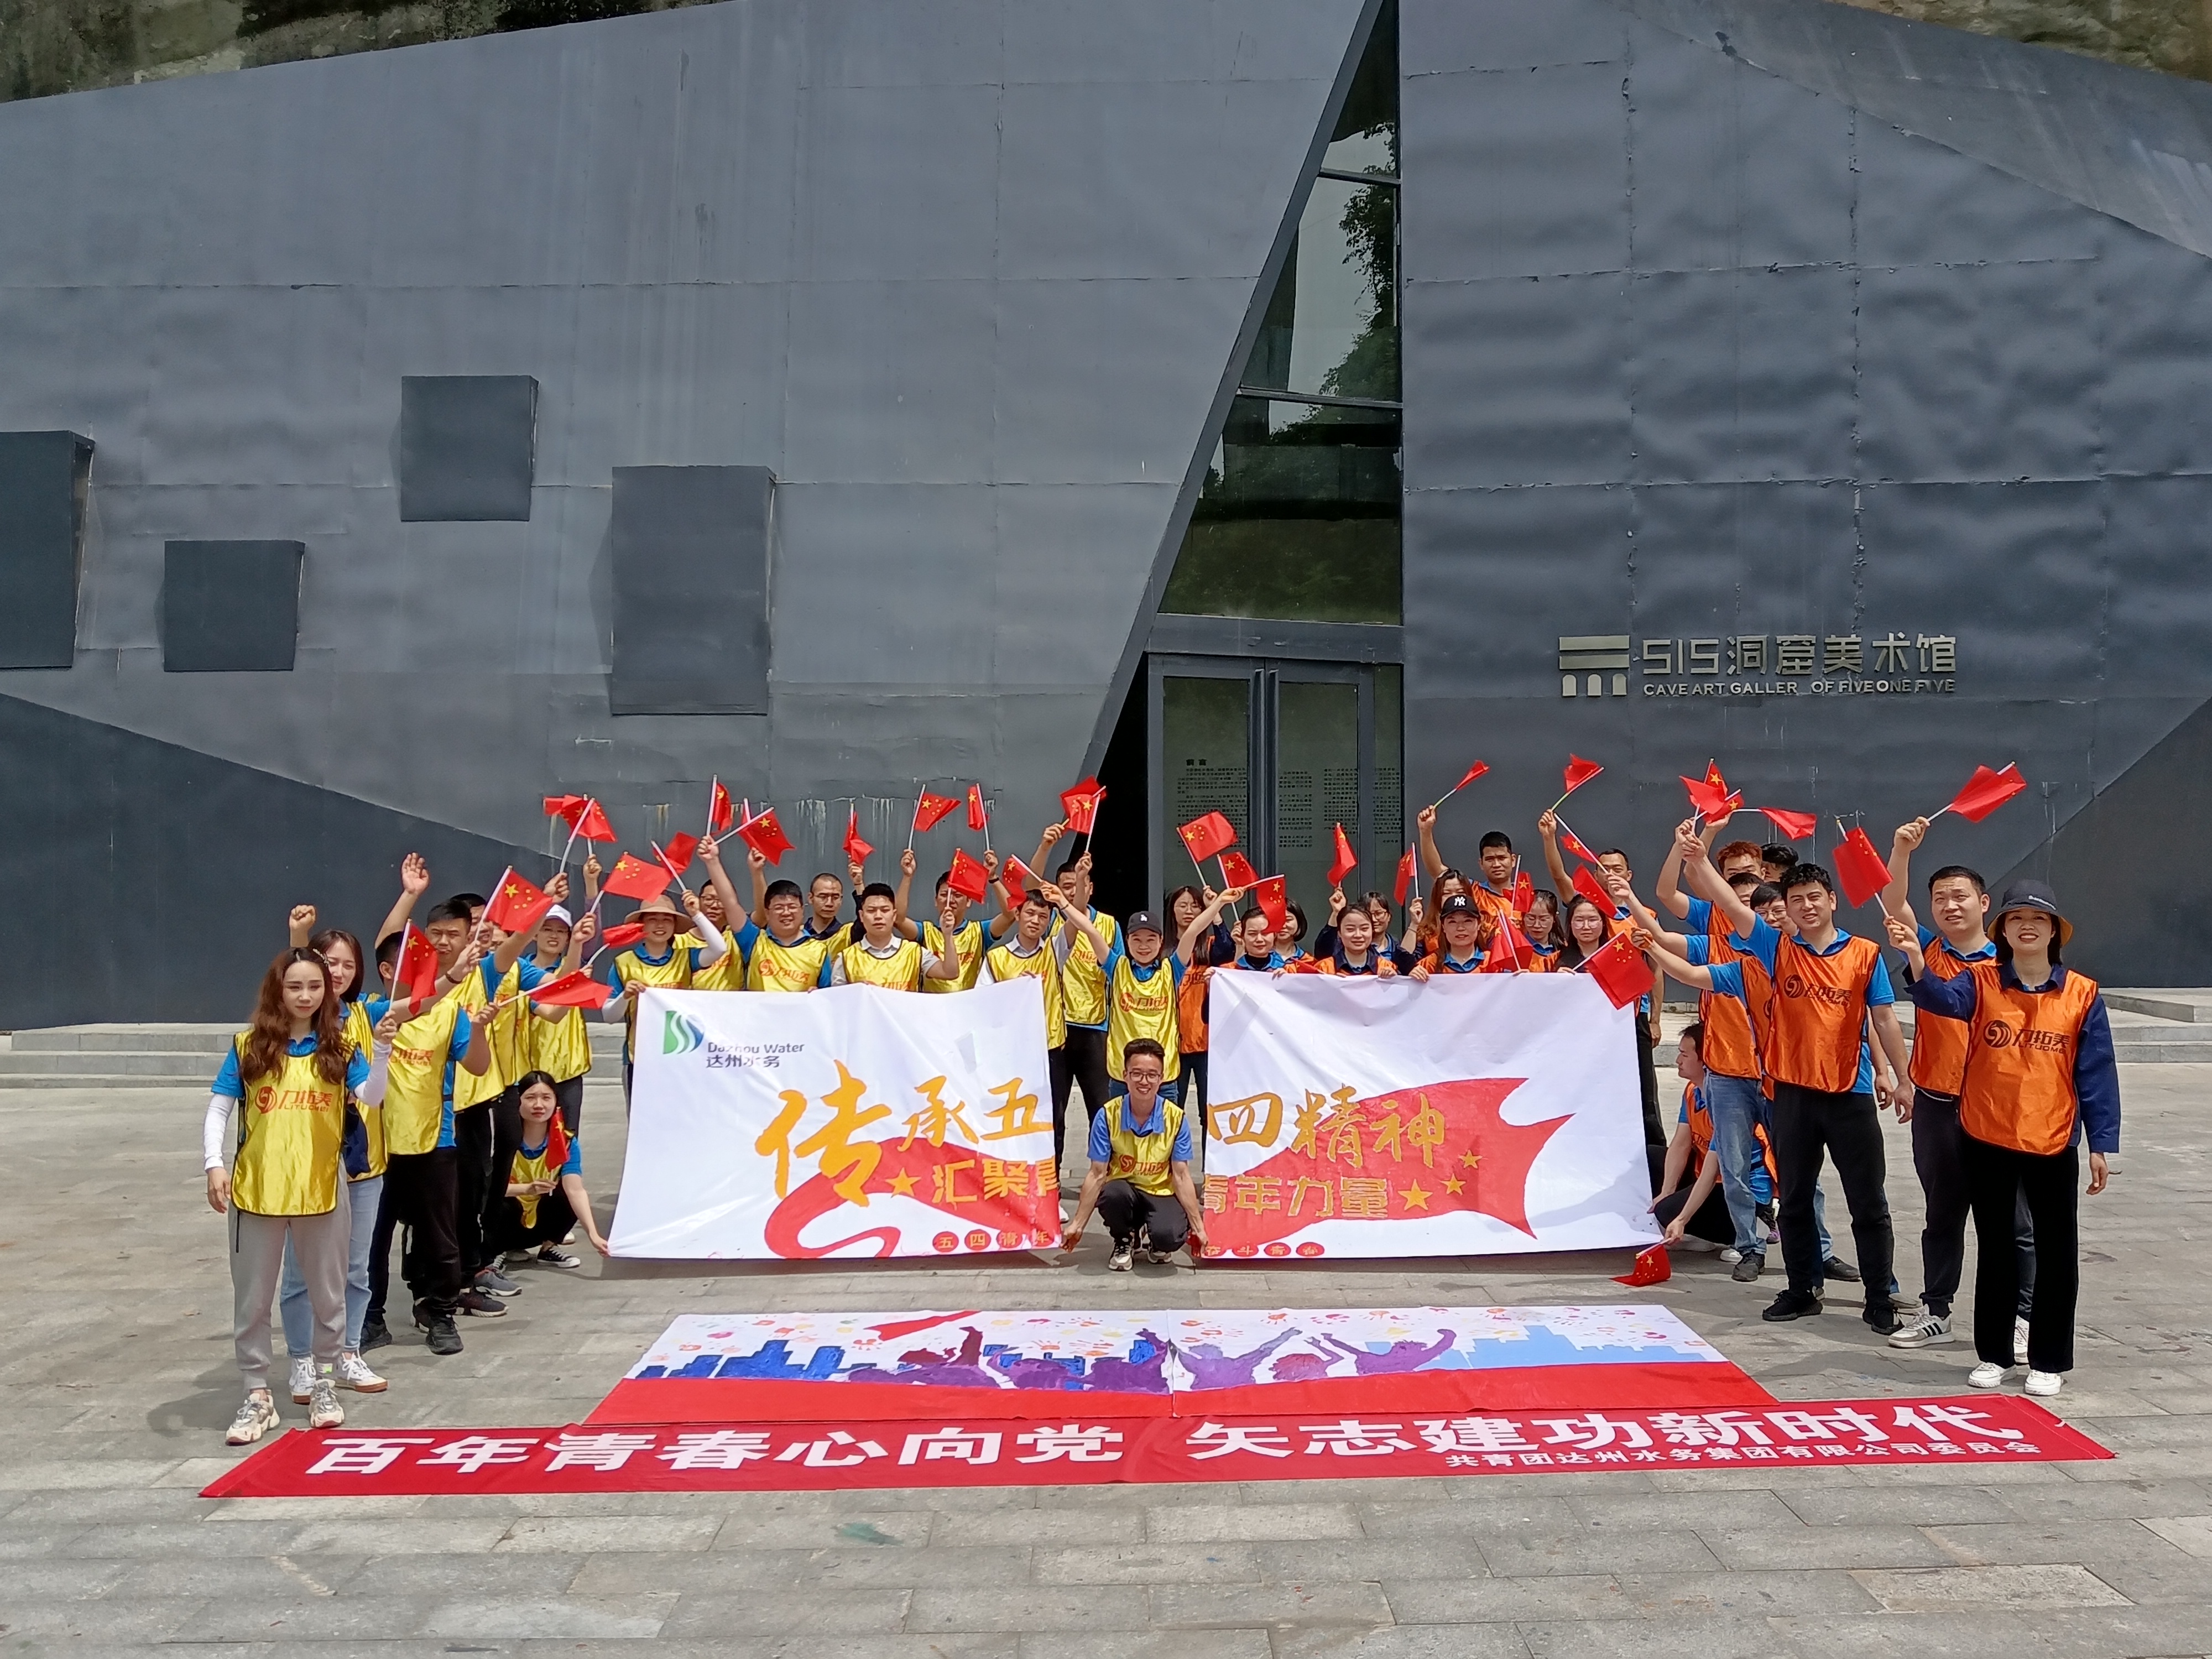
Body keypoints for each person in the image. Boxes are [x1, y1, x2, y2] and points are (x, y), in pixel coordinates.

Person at [1667, 827, 1912, 1333]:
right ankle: (1802, 1289)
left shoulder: (1865, 954)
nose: (1806, 906)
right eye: (1796, 899)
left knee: (1869, 1201)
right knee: (1795, 1198)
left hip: (1850, 1093)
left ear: (1832, 901)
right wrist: (1699, 858)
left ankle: (1879, 1296)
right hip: (1792, 1094)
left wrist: (1901, 1077)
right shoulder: (1774, 948)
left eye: (1814, 897)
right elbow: (1729, 906)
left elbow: (1885, 1019)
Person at [1888, 882, 2117, 1395]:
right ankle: (1994, 1355)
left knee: (2056, 1252)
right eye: (2016, 920)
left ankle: (2048, 1360)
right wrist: (1915, 959)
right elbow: (1939, 999)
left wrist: (2101, 1143)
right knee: (1996, 1248)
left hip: (2053, 1138)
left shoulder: (2082, 993)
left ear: (2054, 931)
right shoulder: (1981, 982)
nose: (2027, 927)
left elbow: (2097, 1072)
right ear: (2004, 932)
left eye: (2038, 919)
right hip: (1987, 1133)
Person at [205, 948, 391, 1444]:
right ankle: (256, 1394)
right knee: (253, 1300)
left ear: (327, 993)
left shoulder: (340, 1050)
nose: (305, 996)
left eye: (314, 986)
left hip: (321, 1190)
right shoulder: (249, 1046)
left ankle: (324, 1383)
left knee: (328, 1295)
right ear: (278, 991)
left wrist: (384, 1053)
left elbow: (372, 1097)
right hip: (257, 1192)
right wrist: (214, 1163)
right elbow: (220, 1108)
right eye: (295, 987)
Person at [1881, 821, 2032, 1356]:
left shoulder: (2012, 965)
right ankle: (1937, 1311)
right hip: (1936, 1106)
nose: (1950, 906)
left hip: (1996, 1110)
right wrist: (1901, 850)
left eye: (1960, 896)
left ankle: (2023, 1316)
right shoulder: (1928, 948)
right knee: (1942, 1214)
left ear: (1984, 903)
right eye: (1940, 898)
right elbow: (1892, 901)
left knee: (2013, 1220)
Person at [359, 926, 492, 1356]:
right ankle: (371, 1319)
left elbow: (478, 1066)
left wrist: (479, 1028)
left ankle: (441, 1314)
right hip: (379, 1147)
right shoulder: (370, 1014)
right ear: (386, 970)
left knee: (440, 1236)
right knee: (373, 1239)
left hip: (436, 1141)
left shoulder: (450, 1014)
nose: (426, 970)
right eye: (414, 963)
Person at [1653, 825, 1776, 1281]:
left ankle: (1813, 1248)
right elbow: (1669, 902)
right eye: (1730, 876)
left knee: (1798, 1170)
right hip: (1726, 1069)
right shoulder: (1716, 933)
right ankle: (1748, 1245)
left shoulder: (1783, 940)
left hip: (1778, 1073)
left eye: (1748, 875)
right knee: (1733, 1164)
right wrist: (1698, 840)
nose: (1739, 887)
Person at [273, 921, 388, 1401]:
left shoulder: (363, 1015)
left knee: (355, 1269)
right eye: (328, 963)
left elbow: (373, 1092)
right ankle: (302, 1359)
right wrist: (298, 938)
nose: (337, 972)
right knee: (301, 1271)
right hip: (306, 1167)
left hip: (360, 1165)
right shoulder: (287, 1028)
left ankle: (347, 1352)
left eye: (347, 964)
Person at [1055, 888, 1241, 1103]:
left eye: (1151, 939)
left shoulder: (1171, 969)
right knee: (1121, 1126)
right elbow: (1090, 929)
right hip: (1123, 1077)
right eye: (1137, 939)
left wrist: (1219, 903)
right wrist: (1061, 901)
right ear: (1127, 940)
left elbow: (1193, 931)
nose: (1144, 946)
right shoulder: (1117, 967)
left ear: (1161, 941)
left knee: (1166, 1126)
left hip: (1163, 1079)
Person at [1060, 1038, 1211, 1271]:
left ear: (1161, 1079)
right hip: (1124, 1190)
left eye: (1152, 1075)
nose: (1144, 1081)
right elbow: (1097, 1174)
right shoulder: (1107, 1115)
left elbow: (1181, 1176)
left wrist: (1199, 1228)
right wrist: (1077, 1225)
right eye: (1137, 1074)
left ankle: (1155, 1237)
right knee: (1112, 1194)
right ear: (1125, 1076)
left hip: (1160, 1191)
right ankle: (1124, 1238)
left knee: (1170, 1237)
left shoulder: (1176, 1118)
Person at [601, 888, 731, 1095]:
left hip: (680, 1054)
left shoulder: (685, 958)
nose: (660, 925)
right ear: (642, 925)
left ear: (675, 926)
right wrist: (625, 996)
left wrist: (697, 914)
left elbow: (719, 949)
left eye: (667, 920)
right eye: (653, 919)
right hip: (640, 1057)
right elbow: (609, 1016)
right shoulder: (623, 963)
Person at [984, 887, 1073, 1176]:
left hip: (1050, 1050)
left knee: (1053, 1118)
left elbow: (1076, 921)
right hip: (1011, 1055)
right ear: (1018, 914)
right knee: (1011, 1116)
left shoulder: (1054, 951)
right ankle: (1012, 1178)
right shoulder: (996, 957)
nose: (1035, 921)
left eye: (1043, 916)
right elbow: (981, 1002)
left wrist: (1069, 893)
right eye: (1030, 914)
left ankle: (1051, 1181)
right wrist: (1013, 990)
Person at [490, 1071, 611, 1266]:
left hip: (539, 1223)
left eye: (546, 1098)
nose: (539, 1105)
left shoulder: (567, 1142)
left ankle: (548, 1247)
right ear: (517, 1101)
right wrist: (527, 1189)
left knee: (567, 1194)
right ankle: (495, 1252)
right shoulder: (501, 1141)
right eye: (530, 1098)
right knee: (500, 1204)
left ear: (556, 1102)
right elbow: (487, 1191)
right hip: (505, 1221)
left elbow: (576, 1191)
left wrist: (594, 1235)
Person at [1048, 850, 1119, 1139]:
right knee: (1055, 1112)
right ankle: (1053, 1166)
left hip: (1096, 1028)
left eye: (1079, 884)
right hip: (1059, 1030)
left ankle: (1104, 1167)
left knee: (1101, 1110)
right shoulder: (1050, 922)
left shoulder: (1110, 925)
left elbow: (1120, 976)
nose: (1073, 891)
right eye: (1067, 886)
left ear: (1091, 887)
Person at [1653, 1025, 1738, 1249]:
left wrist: (1682, 1218)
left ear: (1705, 1060)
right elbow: (1681, 1144)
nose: (1678, 1061)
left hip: (1730, 1185)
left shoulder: (1726, 1102)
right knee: (1650, 1158)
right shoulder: (1693, 1090)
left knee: (1667, 1211)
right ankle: (1698, 1231)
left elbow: (1713, 1169)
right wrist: (1666, 1191)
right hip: (1706, 1175)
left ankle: (1749, 1232)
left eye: (1684, 1055)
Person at [523, 904, 599, 1136]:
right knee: (529, 1141)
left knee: (568, 1139)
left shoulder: (576, 968)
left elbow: (591, 923)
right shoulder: (520, 973)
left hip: (569, 1070)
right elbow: (554, 1009)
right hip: (530, 1072)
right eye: (547, 929)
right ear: (535, 933)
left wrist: (578, 942)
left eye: (561, 931)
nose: (554, 936)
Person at [1167, 884, 1237, 1133]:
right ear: (1172, 910)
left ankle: (1209, 1160)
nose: (1189, 911)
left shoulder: (1210, 945)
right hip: (1172, 1043)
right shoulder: (1162, 948)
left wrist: (1214, 909)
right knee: (1172, 1112)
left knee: (1209, 1115)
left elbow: (1227, 950)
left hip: (1207, 1043)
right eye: (1182, 905)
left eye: (1195, 906)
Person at [831, 882, 964, 987]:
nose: (878, 916)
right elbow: (838, 1003)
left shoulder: (914, 952)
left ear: (894, 915)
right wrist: (855, 991)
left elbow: (950, 973)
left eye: (885, 910)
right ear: (861, 916)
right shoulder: (845, 959)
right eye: (871, 911)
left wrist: (947, 935)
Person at [736, 859, 840, 992]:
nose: (786, 913)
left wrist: (819, 994)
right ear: (767, 912)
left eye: (792, 907)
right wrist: (756, 872)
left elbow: (828, 995)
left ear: (802, 910)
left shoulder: (820, 951)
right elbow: (730, 904)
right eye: (779, 908)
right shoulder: (755, 941)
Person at [1293, 898, 1400, 978]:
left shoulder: (1387, 967)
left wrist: (1394, 980)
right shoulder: (1324, 969)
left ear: (1372, 931)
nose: (1358, 935)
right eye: (1350, 929)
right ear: (1339, 933)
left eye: (1364, 929)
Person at [1410, 894, 1489, 978]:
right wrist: (1410, 975)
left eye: (1468, 921)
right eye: (1452, 922)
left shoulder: (1493, 962)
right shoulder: (1429, 965)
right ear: (1443, 927)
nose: (1460, 928)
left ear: (1479, 924)